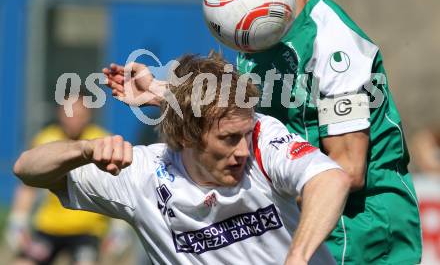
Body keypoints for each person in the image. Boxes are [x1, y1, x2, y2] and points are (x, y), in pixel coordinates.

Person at [103, 0, 422, 264]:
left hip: (358, 231)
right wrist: (165, 94)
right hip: (299, 218)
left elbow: (347, 169)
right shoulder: (257, 37)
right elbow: (237, 116)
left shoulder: (334, 45)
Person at [14, 54, 351, 265]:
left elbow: (330, 179)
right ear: (187, 137)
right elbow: (28, 169)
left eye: (244, 134)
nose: (244, 150)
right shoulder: (143, 174)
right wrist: (82, 151)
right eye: (228, 139)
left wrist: (296, 257)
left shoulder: (262, 135)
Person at [7, 93, 110, 265]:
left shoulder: (103, 141)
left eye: (79, 114)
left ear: (89, 114)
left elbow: (117, 185)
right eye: (68, 113)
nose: (73, 120)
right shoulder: (45, 140)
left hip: (87, 230)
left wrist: (120, 228)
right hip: (49, 227)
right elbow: (28, 185)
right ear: (59, 112)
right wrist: (18, 219)